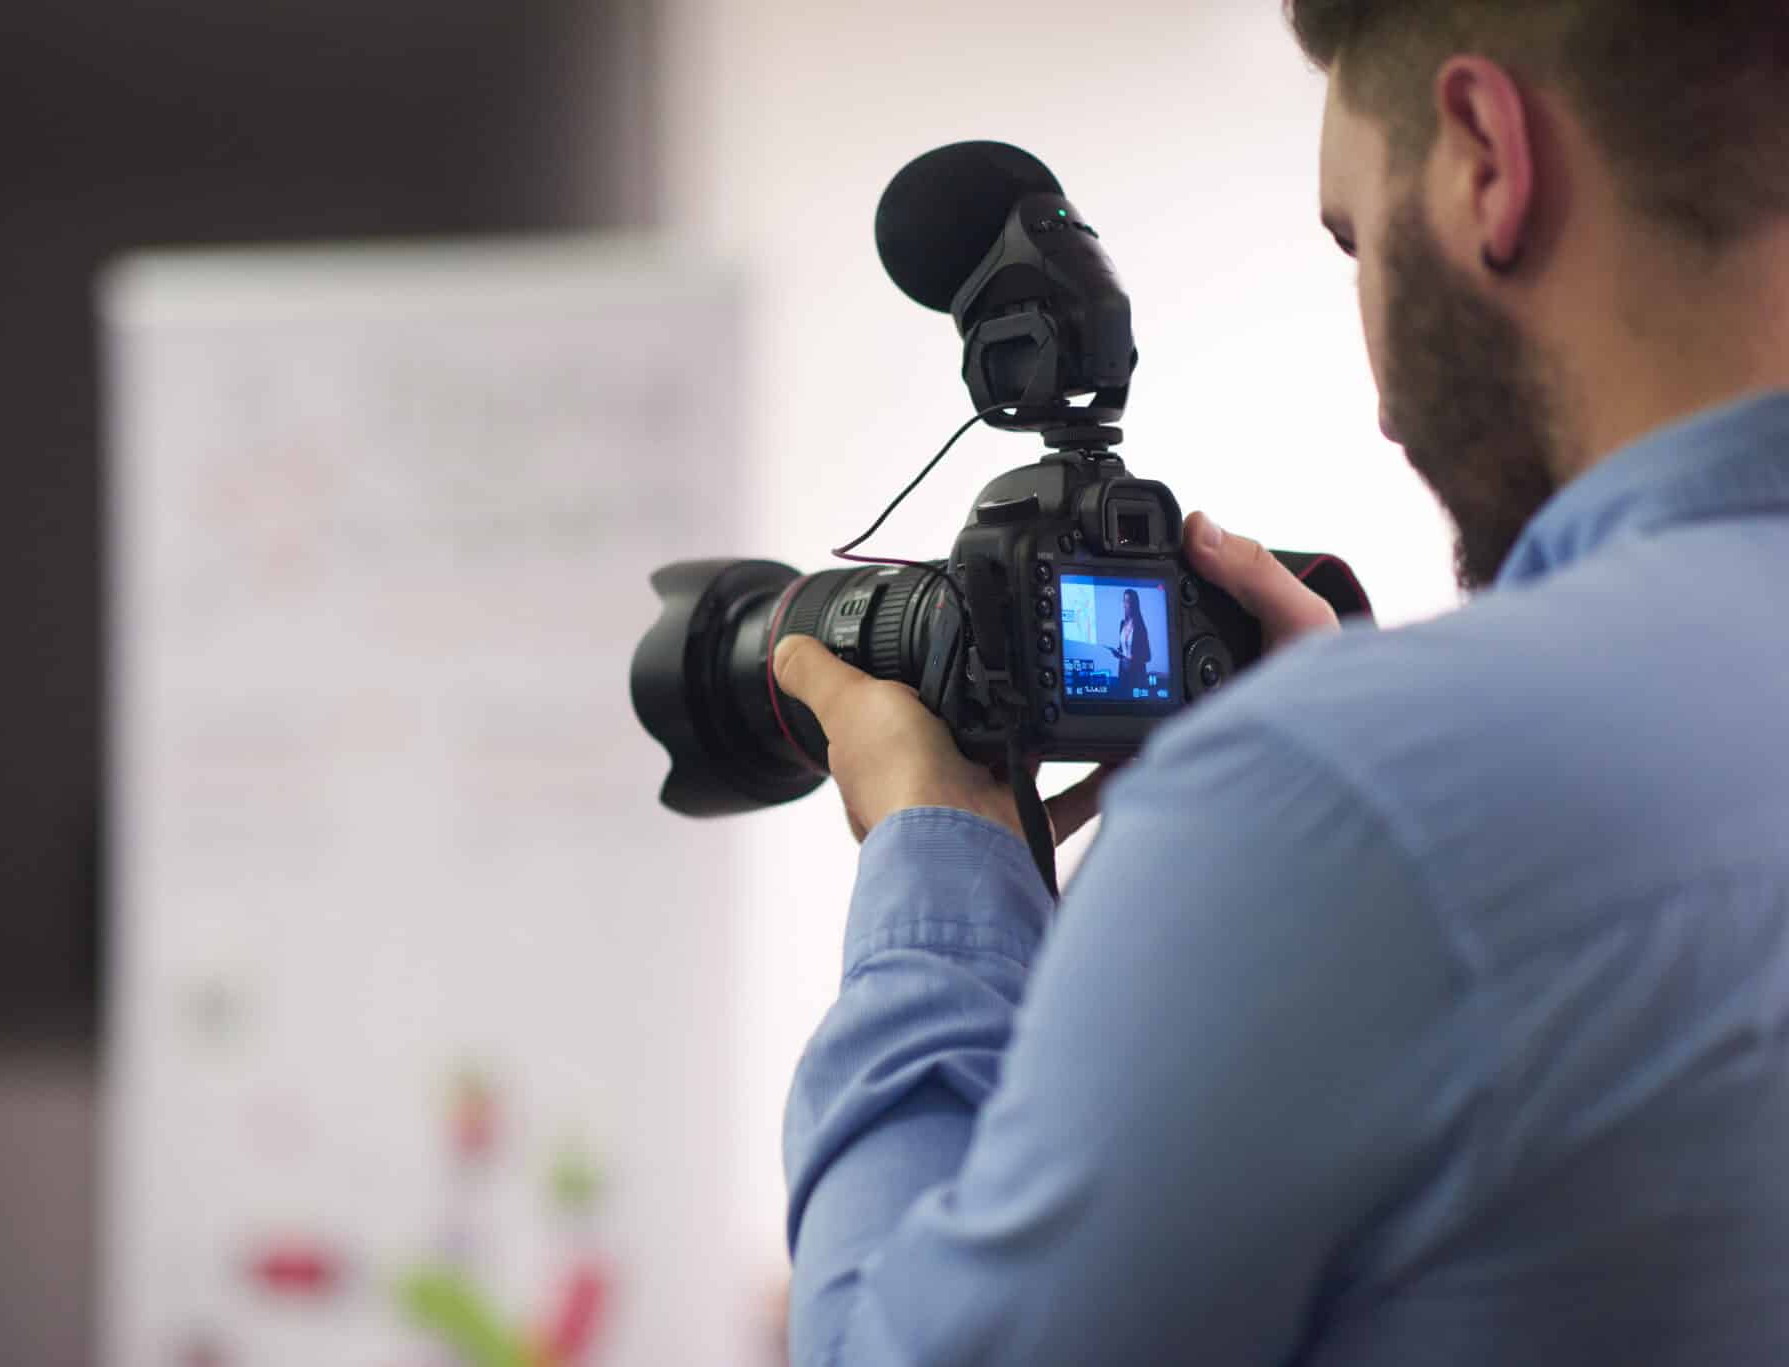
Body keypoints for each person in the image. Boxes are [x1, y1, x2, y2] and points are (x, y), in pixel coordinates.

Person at [767, 2, 1789, 1362]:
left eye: (1356, 240)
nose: (1381, 393)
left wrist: (932, 857)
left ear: (1488, 156)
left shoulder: (1353, 799)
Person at [1108, 587, 1151, 697]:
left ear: (1134, 604)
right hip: (1123, 673)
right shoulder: (1122, 623)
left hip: (1136, 675)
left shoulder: (1140, 627)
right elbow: (1122, 648)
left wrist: (1132, 658)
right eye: (1125, 601)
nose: (1126, 604)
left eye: (1129, 601)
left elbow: (1147, 656)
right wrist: (1117, 652)